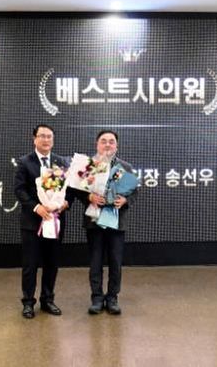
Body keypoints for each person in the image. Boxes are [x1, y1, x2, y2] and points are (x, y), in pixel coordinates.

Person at [13, 124, 74, 318]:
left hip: (55, 221)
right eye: (42, 136)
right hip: (32, 223)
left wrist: (65, 203)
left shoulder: (61, 162)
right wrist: (36, 207)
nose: (46, 140)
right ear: (34, 139)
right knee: (30, 265)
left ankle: (48, 300)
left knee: (52, 263)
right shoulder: (25, 162)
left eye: (49, 136)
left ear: (53, 140)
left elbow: (70, 189)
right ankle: (28, 302)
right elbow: (19, 190)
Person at [80, 130, 138, 315]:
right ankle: (97, 298)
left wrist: (125, 201)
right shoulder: (89, 166)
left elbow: (134, 192)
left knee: (115, 261)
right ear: (97, 145)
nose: (107, 144)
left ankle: (112, 298)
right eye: (103, 141)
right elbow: (77, 190)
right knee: (95, 261)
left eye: (111, 142)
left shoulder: (125, 167)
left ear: (116, 146)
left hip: (116, 221)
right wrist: (89, 197)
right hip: (95, 221)